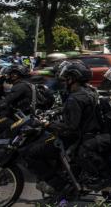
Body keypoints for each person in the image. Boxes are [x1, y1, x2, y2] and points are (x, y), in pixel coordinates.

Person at [26, 61, 100, 194]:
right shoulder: (90, 91)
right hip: (87, 135)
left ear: (73, 79)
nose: (64, 81)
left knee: (31, 153)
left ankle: (57, 184)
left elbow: (70, 127)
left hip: (73, 138)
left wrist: (47, 124)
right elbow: (73, 110)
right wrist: (55, 112)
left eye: (67, 78)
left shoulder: (75, 98)